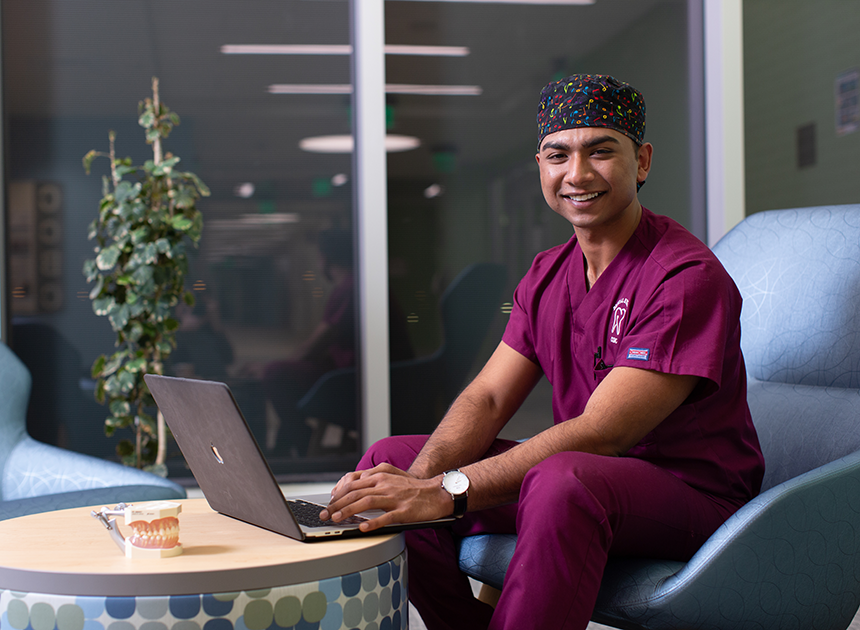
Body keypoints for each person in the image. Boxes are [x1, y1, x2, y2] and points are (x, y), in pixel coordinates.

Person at [320, 74, 765, 629]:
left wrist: (446, 491)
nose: (577, 174)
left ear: (642, 161)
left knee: (563, 480)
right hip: (586, 477)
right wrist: (422, 477)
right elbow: (486, 398)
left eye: (601, 151)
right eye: (559, 155)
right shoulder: (547, 273)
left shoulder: (683, 277)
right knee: (389, 458)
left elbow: (605, 433)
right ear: (541, 167)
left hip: (694, 498)